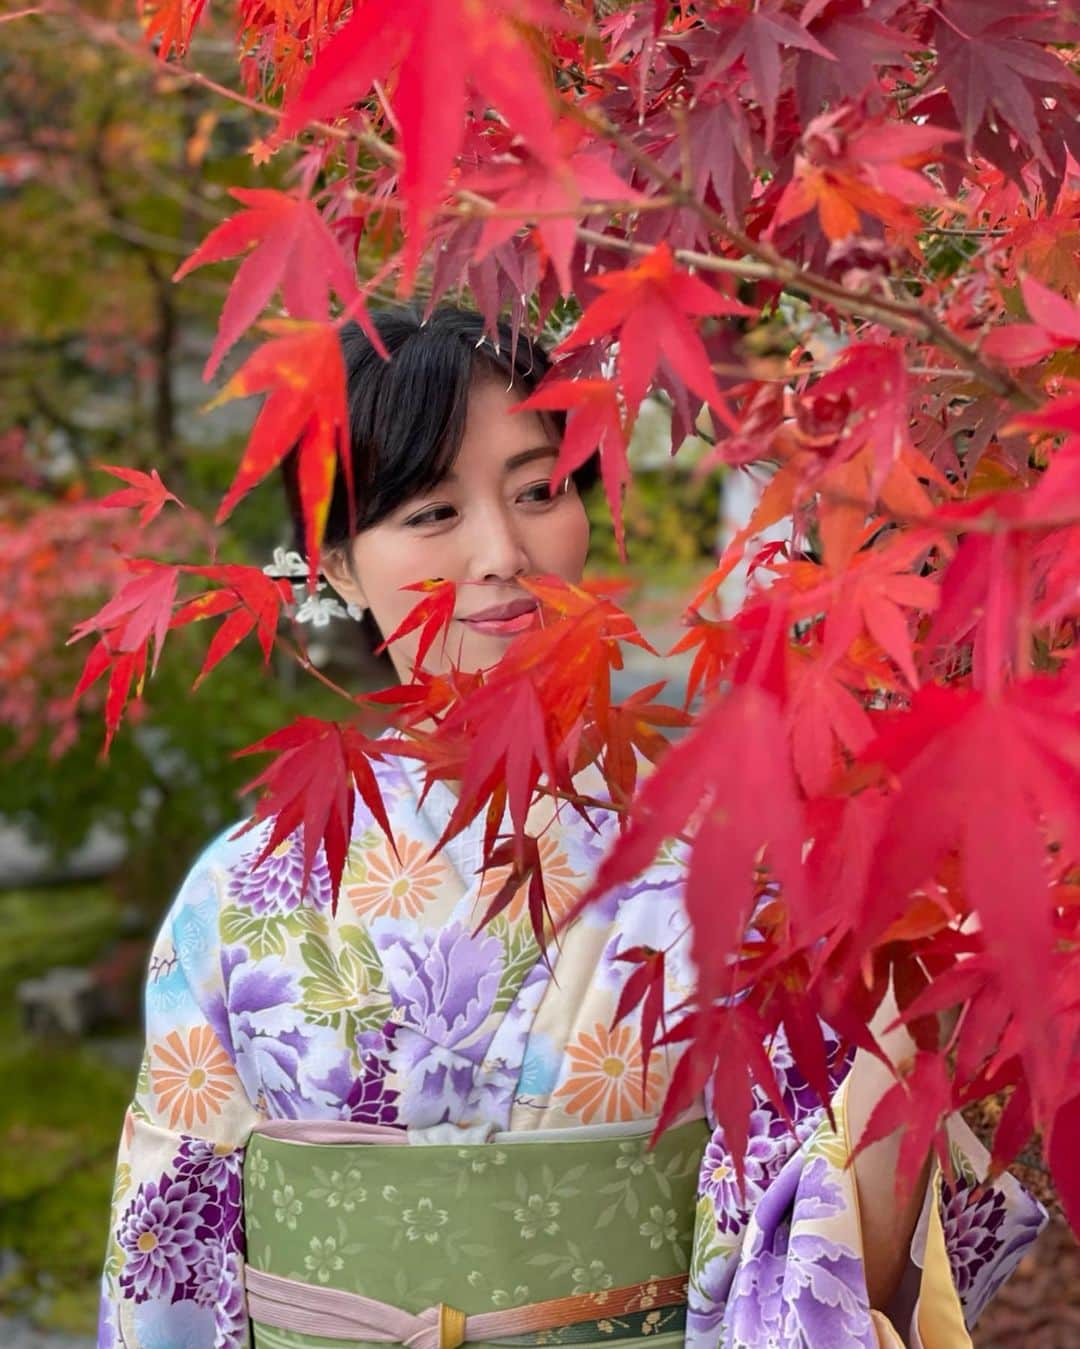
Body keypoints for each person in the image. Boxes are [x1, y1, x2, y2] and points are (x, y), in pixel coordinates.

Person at [97, 306, 1045, 1349]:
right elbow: (169, 1267)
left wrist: (895, 985)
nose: (503, 551)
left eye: (539, 490)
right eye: (430, 510)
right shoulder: (236, 894)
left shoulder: (736, 857)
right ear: (329, 566)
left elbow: (829, 1232)